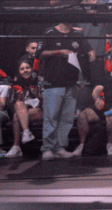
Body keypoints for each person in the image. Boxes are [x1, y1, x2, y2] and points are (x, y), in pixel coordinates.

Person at [36, 22, 93, 159]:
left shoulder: (77, 34)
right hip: (53, 82)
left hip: (72, 82)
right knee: (51, 117)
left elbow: (88, 49)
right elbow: (39, 53)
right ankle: (48, 148)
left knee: (66, 118)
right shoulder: (49, 32)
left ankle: (60, 147)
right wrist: (57, 52)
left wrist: (92, 53)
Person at [4, 59, 42, 158]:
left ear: (32, 69)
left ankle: (16, 147)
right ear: (19, 72)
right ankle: (26, 132)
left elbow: (48, 103)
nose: (25, 70)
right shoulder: (16, 85)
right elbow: (11, 106)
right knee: (18, 110)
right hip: (24, 112)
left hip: (40, 111)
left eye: (27, 68)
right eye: (22, 69)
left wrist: (37, 95)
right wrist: (19, 97)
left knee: (17, 116)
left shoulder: (40, 81)